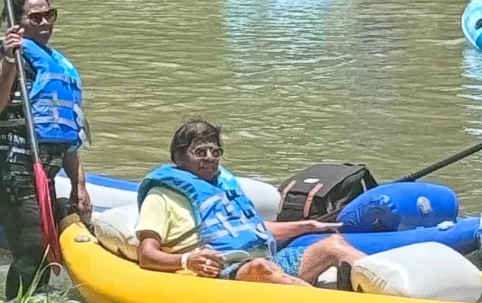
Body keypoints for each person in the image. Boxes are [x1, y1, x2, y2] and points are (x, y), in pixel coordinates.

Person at [136, 119, 364, 286]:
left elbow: (252, 229)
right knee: (261, 268)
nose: (210, 158)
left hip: (265, 261)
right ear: (178, 157)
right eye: (200, 152)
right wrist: (187, 260)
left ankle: (385, 298)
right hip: (220, 272)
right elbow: (146, 255)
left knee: (333, 246)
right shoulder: (160, 197)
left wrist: (307, 226)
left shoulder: (223, 188)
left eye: (215, 152)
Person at [0, 0, 89, 302]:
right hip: (6, 164)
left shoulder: (56, 63)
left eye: (50, 15)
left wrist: (79, 184)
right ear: (16, 20)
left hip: (41, 167)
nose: (45, 22)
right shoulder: (1, 55)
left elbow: (66, 132)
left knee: (45, 246)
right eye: (35, 17)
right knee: (32, 247)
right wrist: (9, 62)